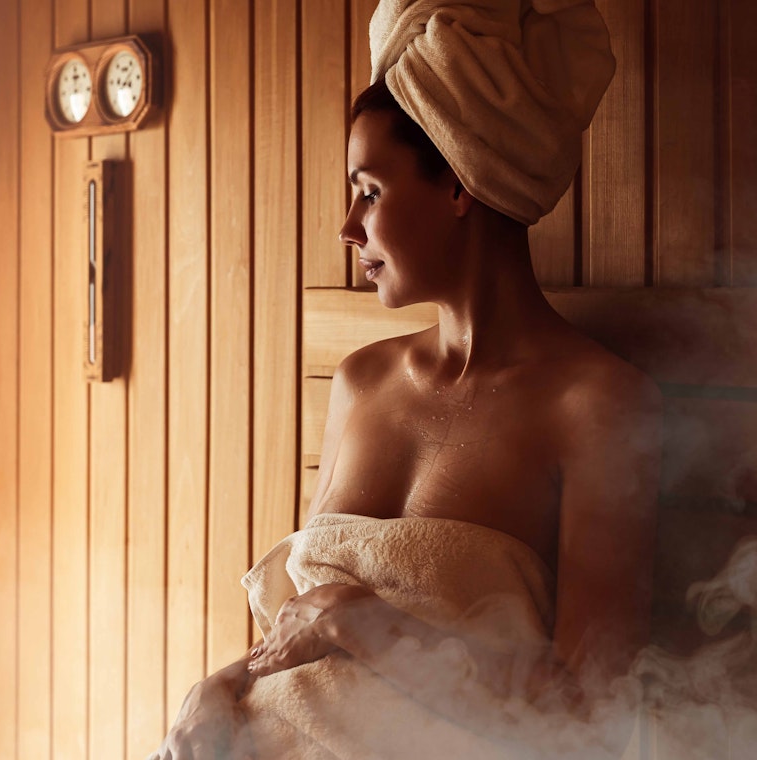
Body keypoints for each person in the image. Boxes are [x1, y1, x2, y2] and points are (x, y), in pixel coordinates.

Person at [153, 2, 660, 758]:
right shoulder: (362, 382)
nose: (348, 225)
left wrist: (363, 621)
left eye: (371, 191)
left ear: (459, 184)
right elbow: (295, 630)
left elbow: (592, 712)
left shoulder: (595, 408)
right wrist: (215, 689)